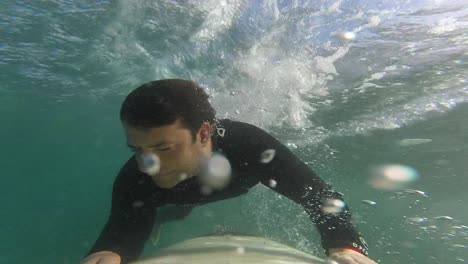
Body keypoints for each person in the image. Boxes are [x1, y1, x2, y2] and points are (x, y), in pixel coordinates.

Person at [80, 79, 377, 264]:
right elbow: (121, 232)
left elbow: (318, 195)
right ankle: (168, 214)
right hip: (178, 197)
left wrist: (344, 245)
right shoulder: (136, 177)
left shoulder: (248, 145)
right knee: (175, 207)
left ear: (204, 133)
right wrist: (110, 252)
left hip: (232, 182)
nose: (148, 164)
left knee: (181, 202)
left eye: (164, 148)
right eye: (137, 150)